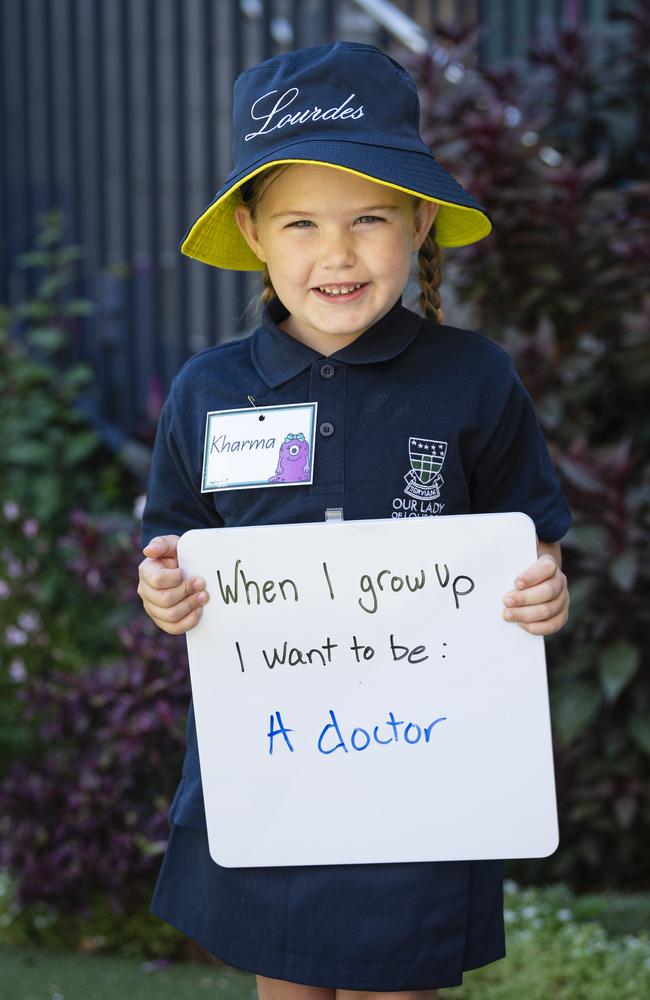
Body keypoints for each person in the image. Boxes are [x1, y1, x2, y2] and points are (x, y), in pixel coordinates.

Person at [137, 41, 571, 1000]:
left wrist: (543, 585)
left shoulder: (475, 378)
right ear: (252, 232)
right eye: (300, 222)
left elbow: (528, 538)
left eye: (369, 216)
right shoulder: (209, 391)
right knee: (286, 984)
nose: (335, 254)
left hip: (424, 769)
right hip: (272, 769)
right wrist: (164, 589)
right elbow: (170, 541)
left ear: (419, 223)